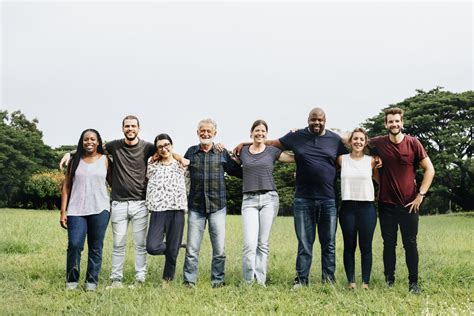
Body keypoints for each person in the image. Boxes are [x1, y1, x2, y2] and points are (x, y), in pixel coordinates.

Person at [60, 115, 185, 289]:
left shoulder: (148, 147)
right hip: (118, 203)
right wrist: (70, 153)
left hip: (140, 203)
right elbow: (91, 146)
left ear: (139, 128)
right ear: (122, 128)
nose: (130, 129)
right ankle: (116, 280)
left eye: (133, 126)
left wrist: (179, 158)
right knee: (118, 245)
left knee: (140, 245)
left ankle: (139, 279)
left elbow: (167, 151)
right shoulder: (114, 146)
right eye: (127, 126)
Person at [234, 107, 347, 288]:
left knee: (329, 243)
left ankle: (329, 280)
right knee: (304, 243)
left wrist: (375, 159)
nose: (316, 122)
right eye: (313, 119)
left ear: (325, 120)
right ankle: (301, 280)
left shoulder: (335, 140)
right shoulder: (296, 136)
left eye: (320, 120)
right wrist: (245, 144)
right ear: (308, 120)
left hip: (329, 198)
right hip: (303, 198)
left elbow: (352, 152)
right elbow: (269, 142)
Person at [370, 107, 435, 294]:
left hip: (409, 204)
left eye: (397, 121)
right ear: (386, 124)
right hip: (385, 204)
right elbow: (353, 141)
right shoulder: (378, 143)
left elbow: (429, 169)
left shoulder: (413, 143)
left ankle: (413, 283)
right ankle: (389, 281)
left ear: (402, 122)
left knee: (410, 243)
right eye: (390, 121)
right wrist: (375, 167)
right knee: (388, 244)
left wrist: (420, 195)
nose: (394, 124)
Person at [182, 118, 242, 288]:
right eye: (203, 131)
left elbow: (238, 171)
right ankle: (189, 282)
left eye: (209, 131)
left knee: (219, 249)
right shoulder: (191, 152)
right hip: (195, 206)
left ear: (215, 133)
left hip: (218, 206)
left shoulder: (222, 153)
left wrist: (249, 158)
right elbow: (180, 167)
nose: (206, 134)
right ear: (197, 132)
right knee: (192, 249)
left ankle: (218, 281)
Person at [235, 120, 294, 286]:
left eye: (263, 131)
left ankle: (260, 281)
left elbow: (292, 158)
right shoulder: (243, 151)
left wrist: (295, 138)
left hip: (269, 199)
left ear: (266, 134)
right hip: (249, 201)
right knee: (249, 244)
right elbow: (232, 163)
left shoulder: (272, 151)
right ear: (251, 133)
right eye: (257, 130)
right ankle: (248, 281)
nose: (260, 133)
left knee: (262, 243)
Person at [60, 128, 112, 291]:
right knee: (75, 245)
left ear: (98, 142)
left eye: (92, 139)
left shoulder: (105, 160)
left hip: (100, 209)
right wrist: (63, 211)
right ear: (82, 142)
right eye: (86, 139)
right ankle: (72, 282)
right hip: (76, 210)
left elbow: (113, 183)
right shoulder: (75, 161)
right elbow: (66, 187)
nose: (89, 142)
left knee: (96, 247)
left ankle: (91, 283)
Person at [337, 127, 378, 290]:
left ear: (366, 142)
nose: (358, 142)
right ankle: (351, 282)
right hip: (347, 207)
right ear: (350, 141)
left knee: (366, 246)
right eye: (355, 139)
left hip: (367, 206)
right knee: (349, 245)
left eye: (361, 139)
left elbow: (381, 180)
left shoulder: (372, 161)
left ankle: (365, 282)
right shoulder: (341, 159)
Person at [145, 133, 187, 286]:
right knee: (152, 246)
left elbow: (186, 164)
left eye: (166, 145)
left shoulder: (181, 164)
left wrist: (177, 156)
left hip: (177, 209)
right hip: (158, 210)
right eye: (160, 147)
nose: (164, 149)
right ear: (156, 149)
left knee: (172, 253)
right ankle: (175, 245)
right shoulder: (152, 165)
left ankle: (167, 281)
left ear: (171, 145)